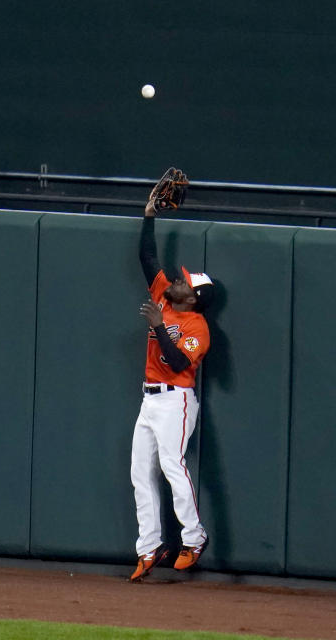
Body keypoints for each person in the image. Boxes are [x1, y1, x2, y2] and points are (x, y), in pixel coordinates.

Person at [129, 192, 214, 582]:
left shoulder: (198, 328)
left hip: (177, 401)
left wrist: (160, 328)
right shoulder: (163, 298)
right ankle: (150, 547)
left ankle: (193, 538)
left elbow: (179, 362)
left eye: (185, 281)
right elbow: (148, 258)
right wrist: (149, 217)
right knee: (139, 471)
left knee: (170, 465)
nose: (177, 279)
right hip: (149, 399)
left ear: (193, 297)